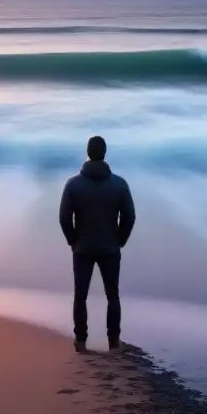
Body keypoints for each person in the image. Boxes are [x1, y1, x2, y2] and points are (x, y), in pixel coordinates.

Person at [59, 135, 135, 352]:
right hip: (110, 247)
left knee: (80, 295)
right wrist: (120, 239)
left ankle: (81, 340)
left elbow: (64, 217)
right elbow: (129, 216)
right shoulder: (119, 184)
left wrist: (73, 240)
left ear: (88, 153)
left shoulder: (73, 184)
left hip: (82, 247)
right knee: (112, 295)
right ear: (104, 154)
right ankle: (113, 342)